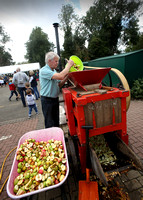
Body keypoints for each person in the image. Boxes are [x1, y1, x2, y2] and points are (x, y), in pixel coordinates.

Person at [39, 51, 74, 128]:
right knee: (49, 123)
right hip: (47, 100)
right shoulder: (44, 70)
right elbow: (61, 76)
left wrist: (67, 76)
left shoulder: (53, 71)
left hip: (54, 99)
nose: (57, 63)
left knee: (56, 121)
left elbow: (59, 84)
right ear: (49, 61)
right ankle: (51, 138)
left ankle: (57, 138)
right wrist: (68, 66)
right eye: (56, 61)